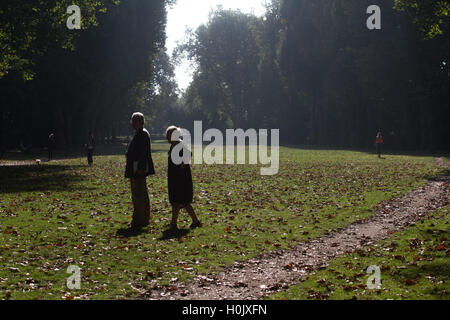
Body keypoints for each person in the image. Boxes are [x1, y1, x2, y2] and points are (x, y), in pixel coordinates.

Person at [166, 126, 201, 231]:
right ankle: (175, 223)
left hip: (181, 178)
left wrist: (183, 165)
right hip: (175, 177)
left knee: (183, 201)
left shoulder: (180, 144)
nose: (167, 138)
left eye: (168, 135)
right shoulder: (174, 145)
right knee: (176, 201)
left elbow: (188, 155)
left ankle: (193, 221)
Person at [125, 113, 155, 229]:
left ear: (140, 122)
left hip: (138, 168)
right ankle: (141, 217)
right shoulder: (140, 132)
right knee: (139, 194)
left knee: (139, 194)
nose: (132, 124)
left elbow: (144, 153)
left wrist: (141, 168)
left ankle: (140, 219)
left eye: (134, 121)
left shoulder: (142, 133)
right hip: (136, 167)